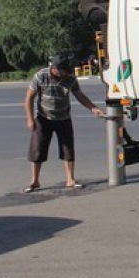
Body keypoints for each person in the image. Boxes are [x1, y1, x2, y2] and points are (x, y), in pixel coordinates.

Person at [23, 54, 104, 192]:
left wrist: (93, 108)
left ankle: (70, 180)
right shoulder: (41, 76)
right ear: (53, 68)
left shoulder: (70, 78)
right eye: (63, 70)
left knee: (68, 149)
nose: (65, 73)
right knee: (37, 150)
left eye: (67, 70)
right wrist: (30, 119)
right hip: (43, 118)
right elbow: (29, 98)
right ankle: (35, 181)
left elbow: (80, 95)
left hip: (63, 117)